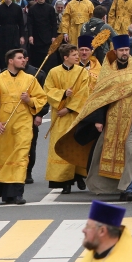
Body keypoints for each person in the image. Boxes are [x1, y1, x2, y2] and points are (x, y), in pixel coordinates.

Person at [54, 35, 132, 202]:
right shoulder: (107, 72)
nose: (124, 53)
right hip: (112, 123)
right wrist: (98, 119)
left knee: (131, 154)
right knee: (106, 156)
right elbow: (100, 97)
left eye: (127, 50)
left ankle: (128, 189)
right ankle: (112, 187)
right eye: (121, 50)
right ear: (116, 51)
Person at [0, 48, 47, 205]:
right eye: (20, 58)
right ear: (11, 61)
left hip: (23, 124)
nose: (23, 60)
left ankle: (17, 193)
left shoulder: (31, 79)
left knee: (21, 157)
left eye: (24, 58)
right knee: (4, 157)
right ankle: (6, 194)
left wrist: (29, 101)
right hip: (4, 125)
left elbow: (42, 99)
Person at [44, 43, 91, 193]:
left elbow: (85, 93)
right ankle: (65, 182)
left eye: (77, 54)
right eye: (74, 55)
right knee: (61, 145)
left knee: (77, 144)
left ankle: (79, 176)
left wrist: (69, 108)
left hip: (76, 115)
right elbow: (48, 90)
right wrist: (63, 94)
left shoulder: (82, 72)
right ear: (65, 57)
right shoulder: (53, 72)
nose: (78, 57)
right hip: (59, 116)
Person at [0, 0, 25, 70]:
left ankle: (14, 68)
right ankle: (4, 69)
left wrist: (22, 36)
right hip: (3, 32)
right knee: (3, 52)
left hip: (14, 32)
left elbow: (21, 23)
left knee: (14, 51)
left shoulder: (17, 8)